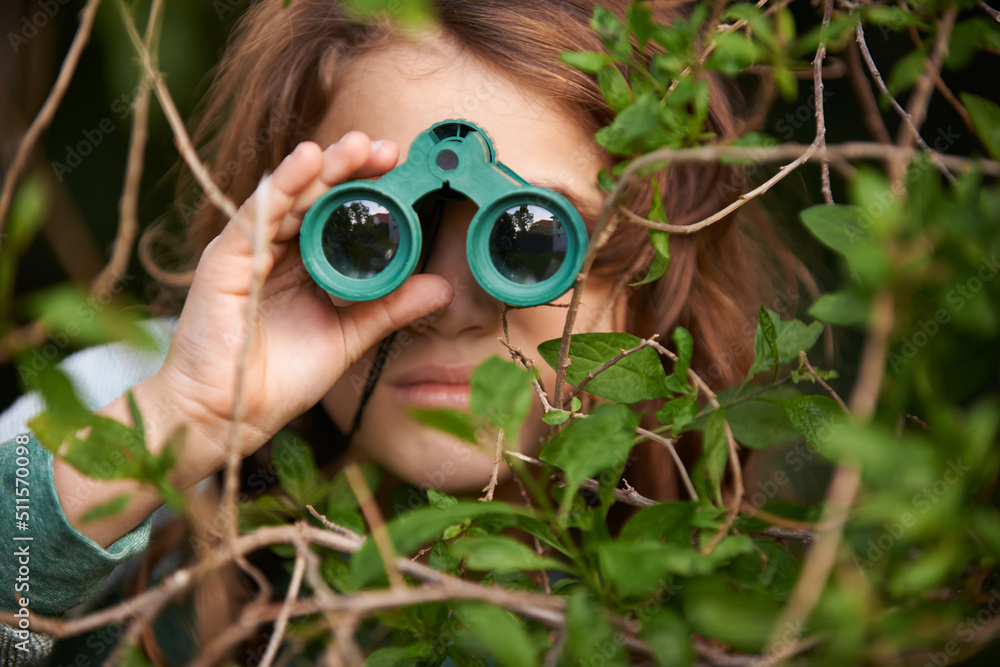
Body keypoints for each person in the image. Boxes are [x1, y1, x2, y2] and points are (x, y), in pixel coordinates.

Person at [1, 0, 804, 663]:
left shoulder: (707, 589)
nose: (446, 304)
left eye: (528, 239)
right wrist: (186, 419)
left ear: (645, 262)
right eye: (373, 232)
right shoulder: (123, 405)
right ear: (285, 223)